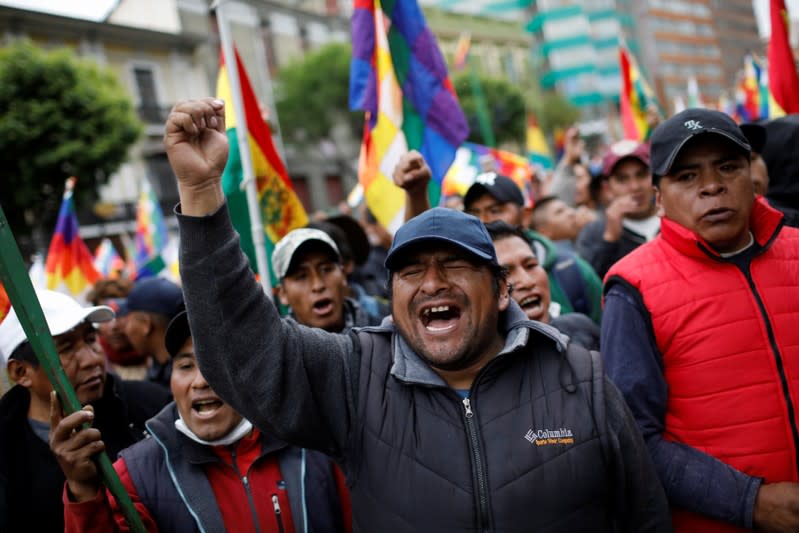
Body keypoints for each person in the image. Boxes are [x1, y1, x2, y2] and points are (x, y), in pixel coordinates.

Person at [163, 98, 671, 532]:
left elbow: (645, 516)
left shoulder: (581, 376)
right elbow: (241, 352)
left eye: (453, 264)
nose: (431, 283)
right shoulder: (354, 375)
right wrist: (203, 197)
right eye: (410, 272)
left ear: (499, 291)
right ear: (391, 295)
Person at [602, 108, 799, 533]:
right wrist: (752, 502)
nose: (712, 186)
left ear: (753, 173)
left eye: (728, 167)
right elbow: (635, 437)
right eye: (687, 176)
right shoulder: (632, 287)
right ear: (659, 198)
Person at [53, 310, 351, 533]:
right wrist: (84, 493)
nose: (200, 381)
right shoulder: (135, 475)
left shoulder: (314, 445)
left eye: (216, 365)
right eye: (185, 365)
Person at [0, 290, 170, 532]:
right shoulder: (7, 451)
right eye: (66, 349)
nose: (91, 360)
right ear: (21, 373)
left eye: (90, 340)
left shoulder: (151, 405)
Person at [459, 169, 604, 324]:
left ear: (526, 216)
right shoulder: (462, 282)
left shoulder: (571, 270)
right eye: (474, 214)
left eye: (495, 210)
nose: (483, 220)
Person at [486, 221, 600, 351]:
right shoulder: (475, 364)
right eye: (505, 273)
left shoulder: (580, 329)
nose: (527, 282)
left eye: (531, 265)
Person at [576, 140, 660, 278]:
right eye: (623, 179)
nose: (635, 187)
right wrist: (609, 239)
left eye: (641, 175)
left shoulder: (678, 218)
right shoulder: (593, 234)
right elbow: (591, 286)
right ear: (607, 188)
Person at [272, 227, 383, 331]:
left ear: (343, 274)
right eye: (301, 276)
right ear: (283, 294)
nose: (318, 286)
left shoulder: (386, 336)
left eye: (326, 270)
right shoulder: (276, 349)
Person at [117, 277, 185, 388]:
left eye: (128, 320)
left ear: (145, 324)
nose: (125, 330)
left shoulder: (185, 380)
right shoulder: (200, 365)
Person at [86, 278, 147, 380]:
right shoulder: (91, 370)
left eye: (121, 315)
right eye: (105, 318)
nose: (114, 326)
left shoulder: (158, 360)